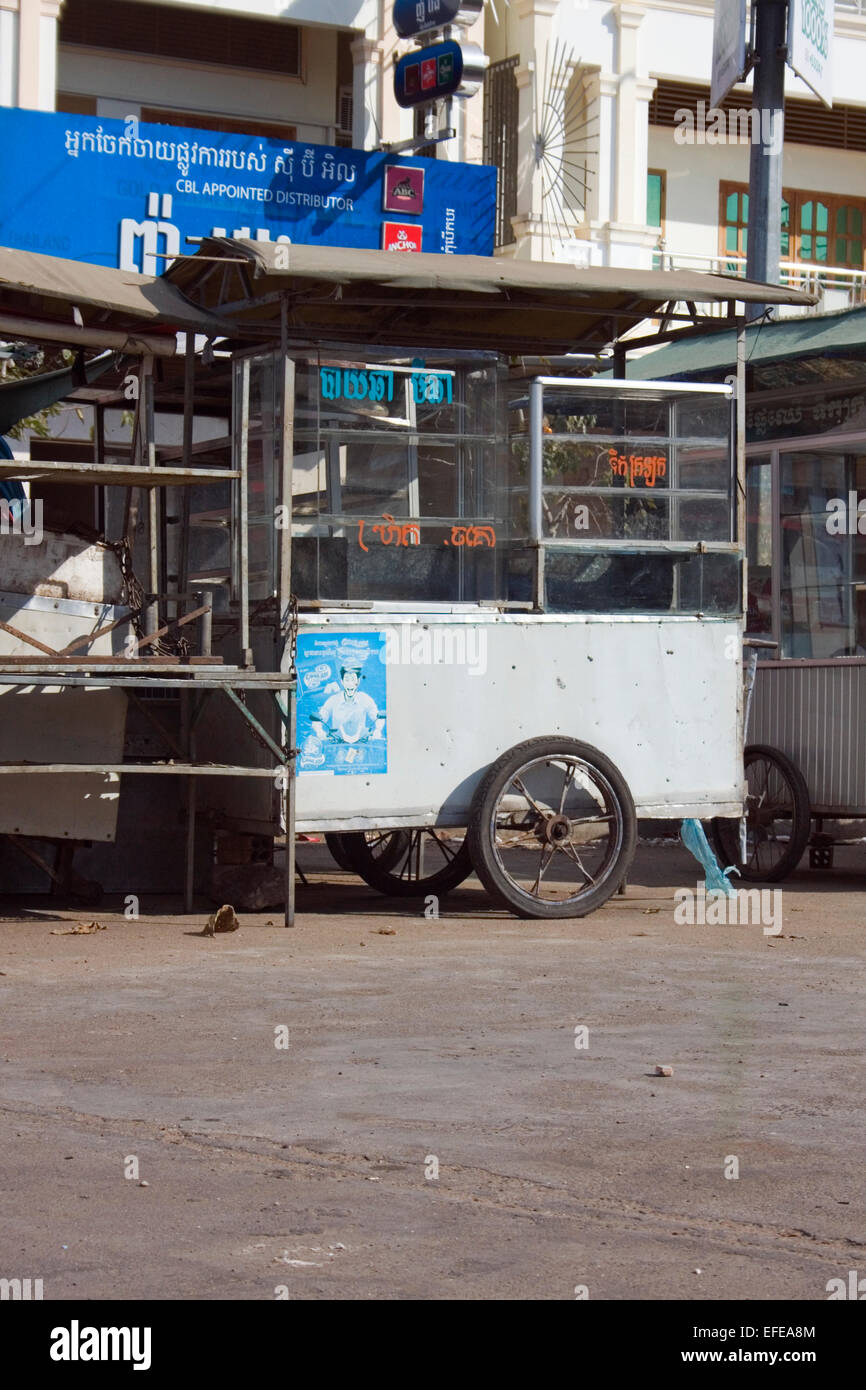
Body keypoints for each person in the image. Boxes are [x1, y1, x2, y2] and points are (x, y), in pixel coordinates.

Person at [311, 663, 383, 745]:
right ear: (342, 681)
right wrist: (319, 731)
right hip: (338, 744)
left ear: (358, 681)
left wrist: (378, 730)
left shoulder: (365, 699)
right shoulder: (333, 700)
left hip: (360, 744)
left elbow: (377, 715)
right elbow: (321, 715)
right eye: (347, 680)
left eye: (353, 679)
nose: (350, 683)